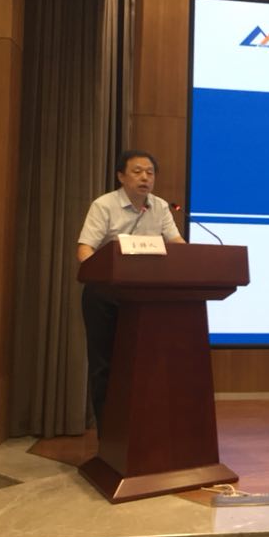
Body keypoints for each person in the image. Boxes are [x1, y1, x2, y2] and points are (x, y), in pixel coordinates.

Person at [77, 149, 186, 434]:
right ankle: (109, 436)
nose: (145, 178)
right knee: (105, 366)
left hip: (147, 298)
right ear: (121, 176)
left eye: (150, 172)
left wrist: (193, 261)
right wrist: (102, 274)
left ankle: (144, 433)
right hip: (105, 296)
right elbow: (85, 250)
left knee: (145, 364)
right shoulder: (104, 205)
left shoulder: (160, 207)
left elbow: (177, 244)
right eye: (137, 172)